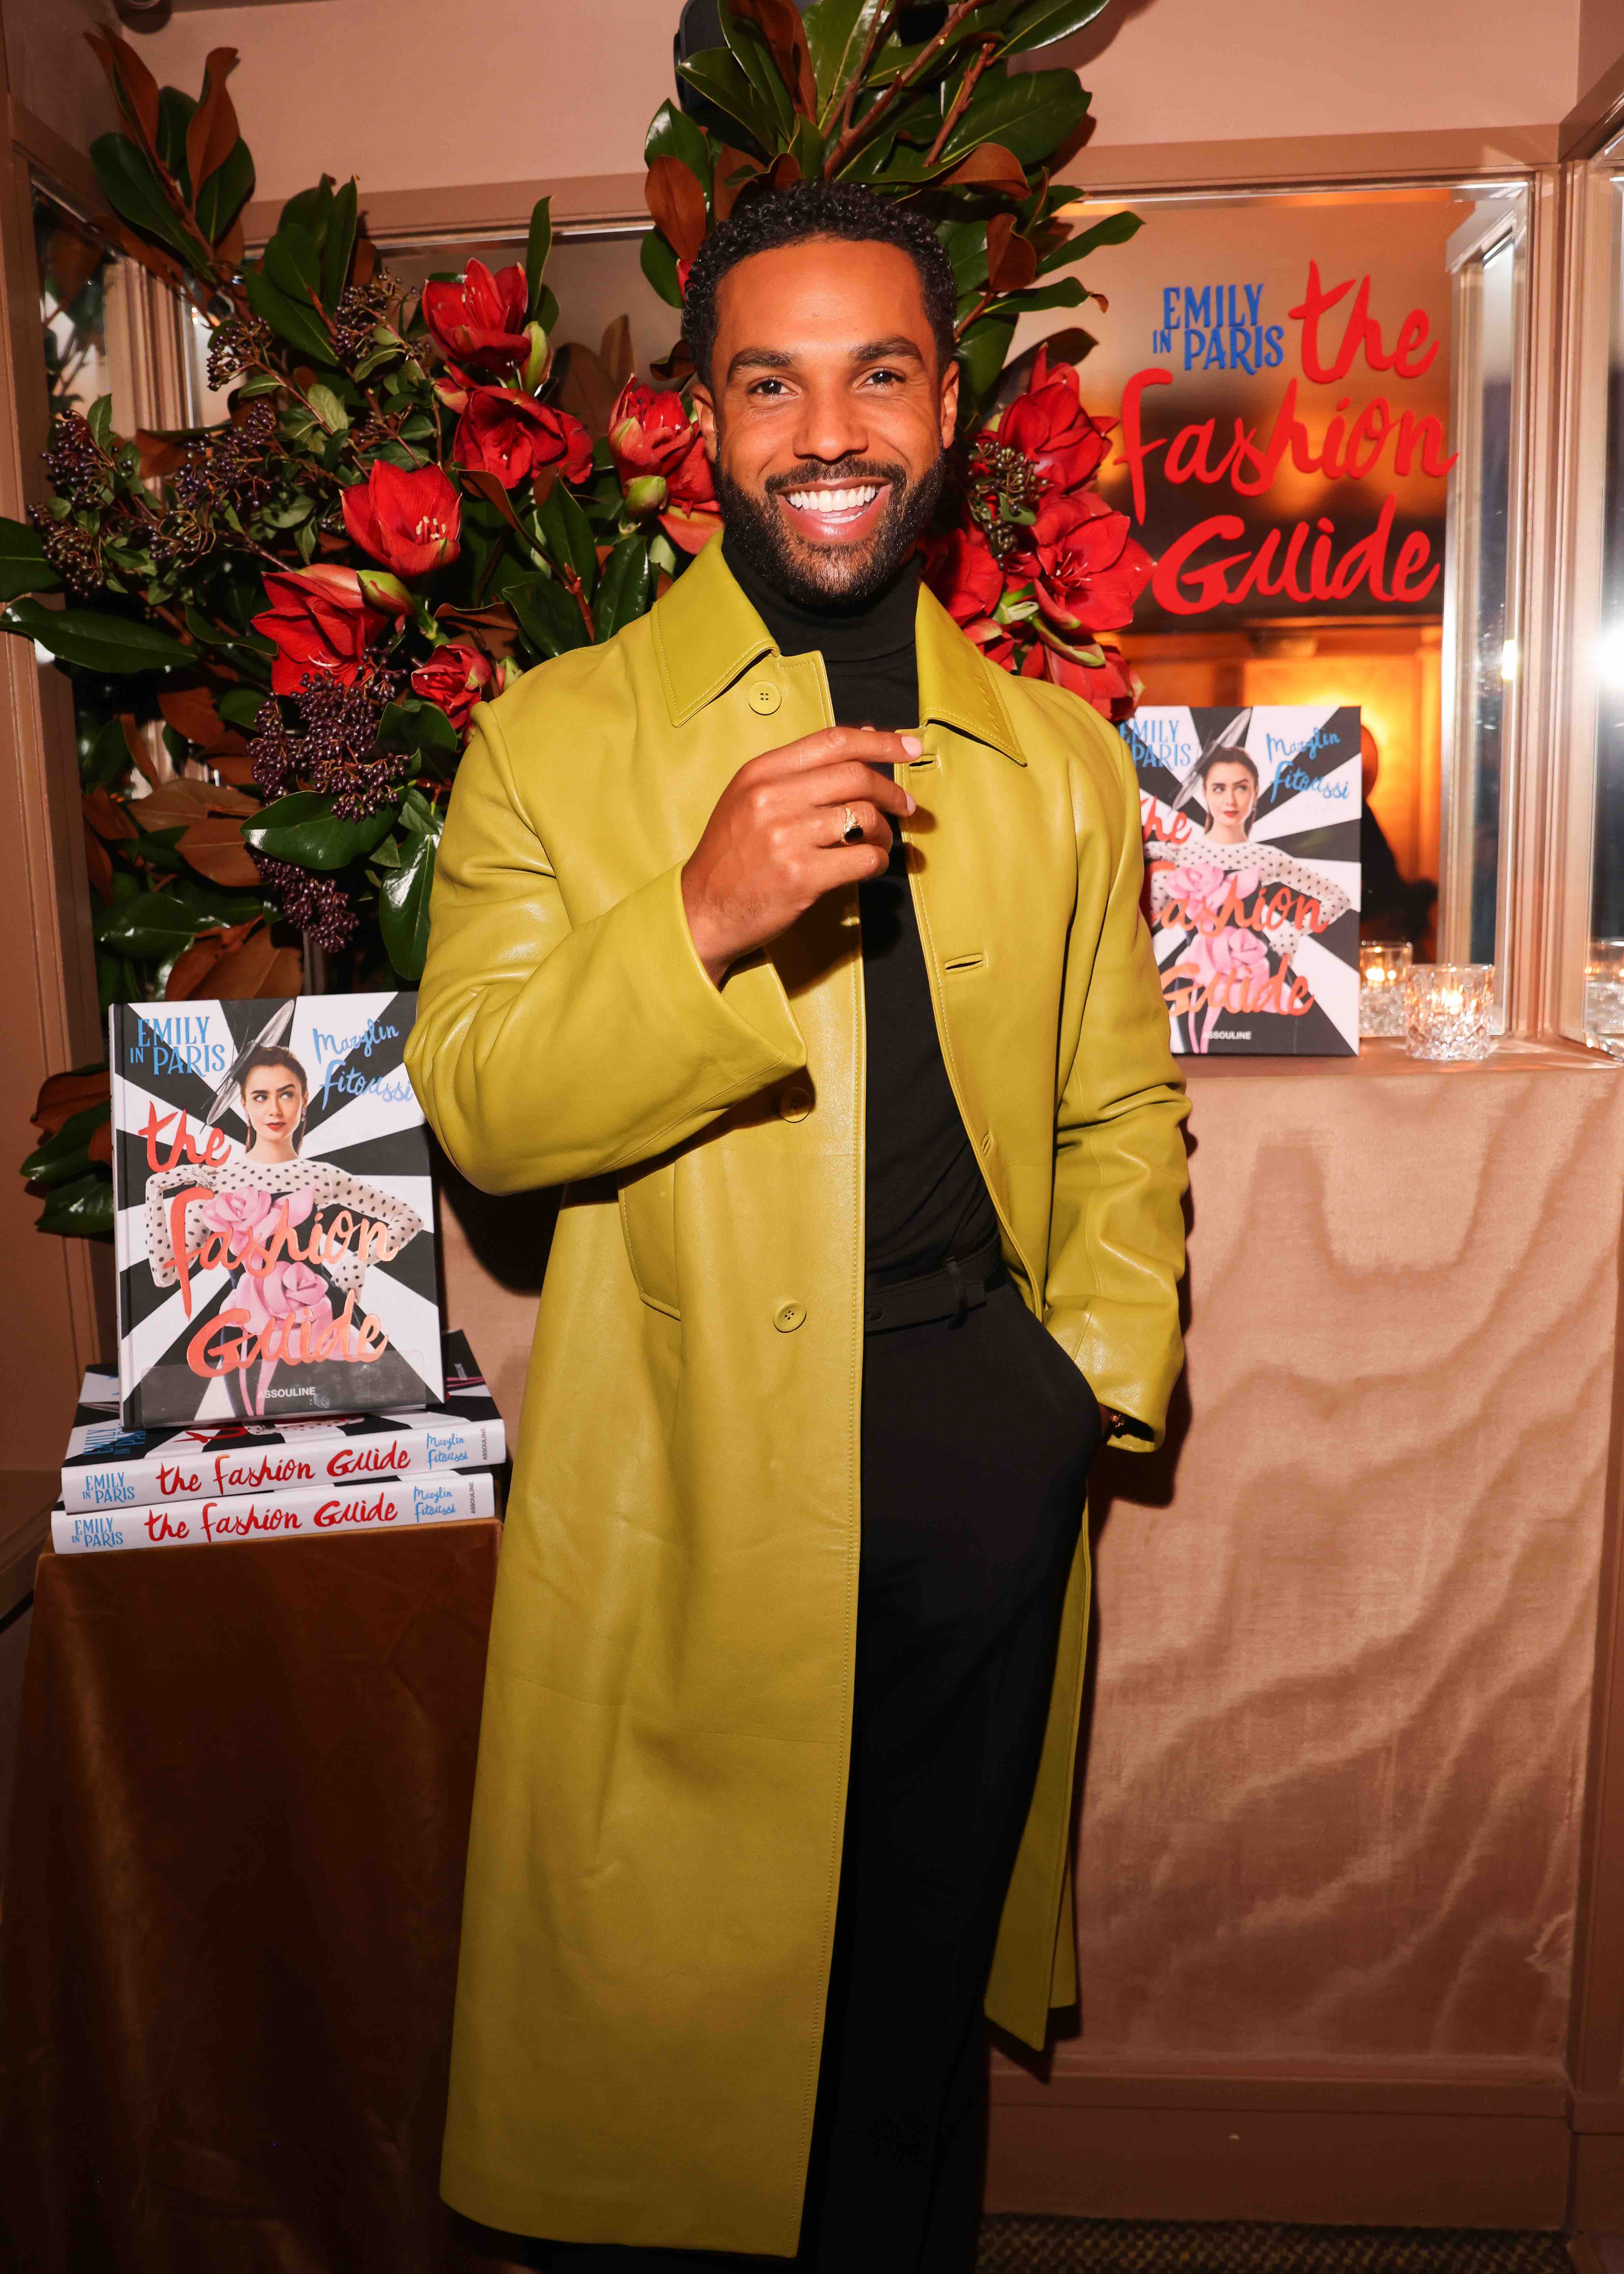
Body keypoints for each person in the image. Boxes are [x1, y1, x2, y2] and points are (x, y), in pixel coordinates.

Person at [406, 183, 1190, 2273]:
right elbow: (480, 1110)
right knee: (687, 2038)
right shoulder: (553, 741)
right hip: (688, 1469)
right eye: (770, 382)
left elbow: (1119, 1107)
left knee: (908, 2029)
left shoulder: (1057, 761)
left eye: (875, 374)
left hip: (977, 1447)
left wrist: (1084, 1382)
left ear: (945, 410)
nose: (826, 429)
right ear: (701, 418)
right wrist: (697, 916)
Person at [145, 1039, 425, 1417]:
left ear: (304, 1100)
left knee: (350, 1423)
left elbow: (408, 1218)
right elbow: (165, 1275)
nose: (274, 1109)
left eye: (286, 1094)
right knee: (261, 1432)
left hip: (324, 1326)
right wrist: (154, 1192)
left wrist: (358, 1261)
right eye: (260, 1097)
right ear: (243, 1104)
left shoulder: (321, 1176)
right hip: (248, 1337)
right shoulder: (217, 1182)